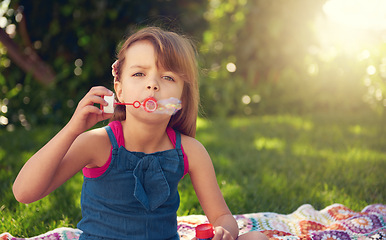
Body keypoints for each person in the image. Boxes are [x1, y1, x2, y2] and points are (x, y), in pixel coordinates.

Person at [13, 27, 268, 240]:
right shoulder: (98, 144)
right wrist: (72, 129)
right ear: (119, 90)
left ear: (181, 97)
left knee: (256, 237)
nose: (152, 84)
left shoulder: (190, 151)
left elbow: (222, 216)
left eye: (168, 77)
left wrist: (225, 231)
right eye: (139, 73)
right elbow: (25, 193)